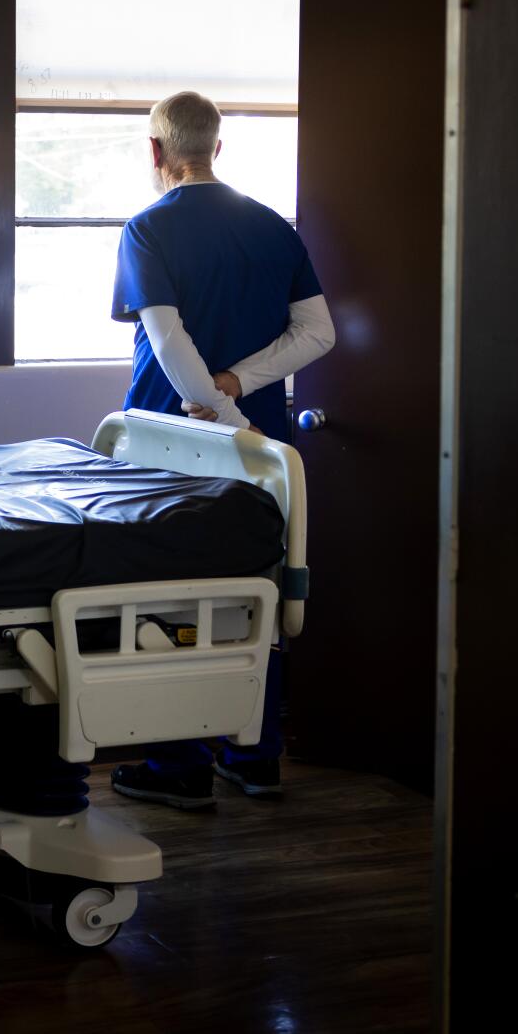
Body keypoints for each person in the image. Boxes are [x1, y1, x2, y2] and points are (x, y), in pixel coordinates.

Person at [107, 90, 336, 809]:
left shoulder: (147, 230)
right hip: (264, 446)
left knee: (174, 598)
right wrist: (242, 403)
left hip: (173, 441)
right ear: (217, 147)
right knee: (253, 592)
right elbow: (318, 334)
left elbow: (169, 340)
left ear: (156, 151)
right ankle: (254, 753)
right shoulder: (273, 229)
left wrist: (218, 407)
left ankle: (179, 763)